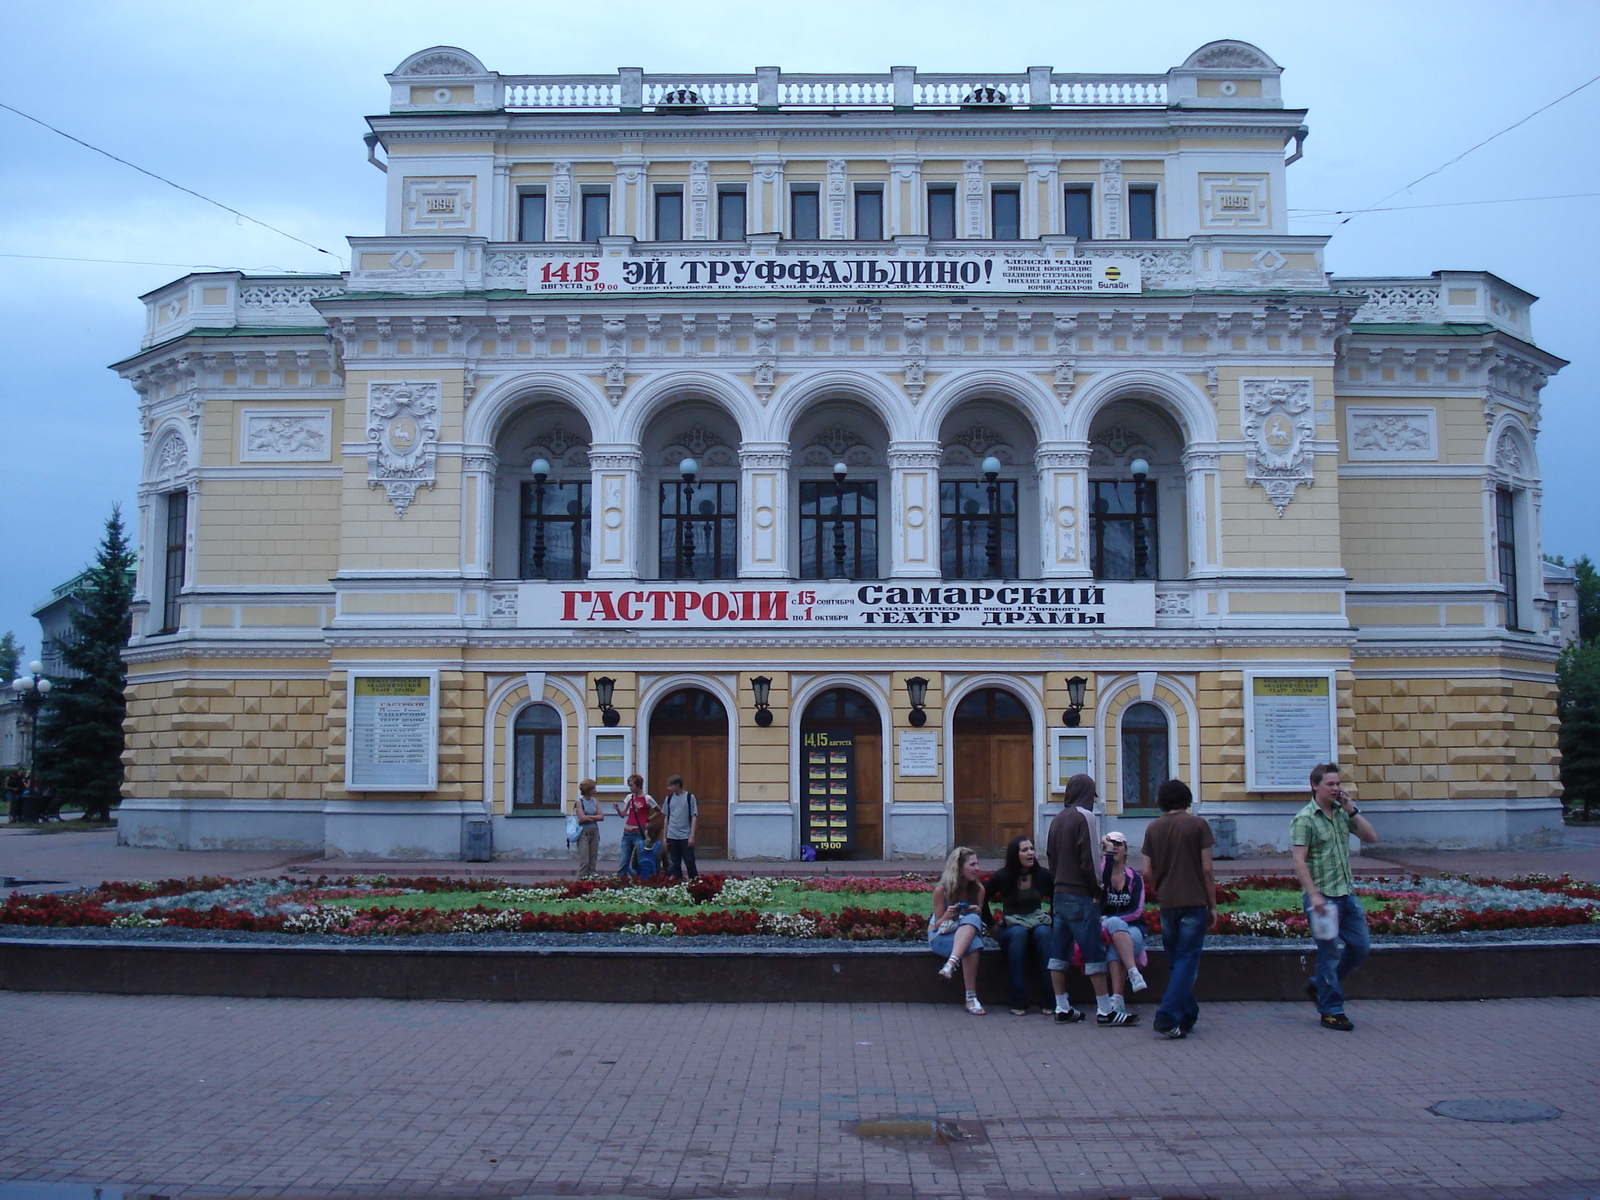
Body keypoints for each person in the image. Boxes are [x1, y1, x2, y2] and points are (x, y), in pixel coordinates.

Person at [1292, 762, 1379, 1032]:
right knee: (1328, 955)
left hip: (1346, 894)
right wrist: (1313, 895)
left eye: (1338, 784)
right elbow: (1299, 860)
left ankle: (1320, 985)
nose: (1336, 789)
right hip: (1323, 900)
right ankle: (1332, 1010)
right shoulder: (1305, 818)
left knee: (1361, 946)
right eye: (1330, 784)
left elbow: (1371, 837)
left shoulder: (1342, 813)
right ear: (1315, 786)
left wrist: (1352, 808)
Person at [1046, 774, 1136, 1026]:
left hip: (1060, 892)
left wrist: (1058, 881)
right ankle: (1105, 1010)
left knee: (1059, 952)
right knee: (1093, 951)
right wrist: (1098, 888)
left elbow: (1051, 856)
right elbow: (1090, 859)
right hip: (1082, 894)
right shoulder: (1084, 817)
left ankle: (1061, 1005)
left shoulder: (1057, 819)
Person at [1141, 778, 1217, 1040]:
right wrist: (1212, 904)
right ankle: (1167, 1015)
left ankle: (1188, 1014)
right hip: (1194, 901)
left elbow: (1146, 870)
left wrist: (1160, 889)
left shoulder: (1153, 828)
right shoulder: (1198, 825)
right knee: (1186, 960)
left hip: (1167, 902)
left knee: (1176, 960)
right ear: (1187, 799)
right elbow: (1206, 869)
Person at [984, 835, 1055, 1016]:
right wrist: (991, 925)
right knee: (1018, 935)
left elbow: (1057, 898)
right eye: (1024, 850)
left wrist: (1053, 919)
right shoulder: (1003, 876)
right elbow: (982, 897)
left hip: (1037, 923)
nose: (1030, 853)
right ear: (1015, 855)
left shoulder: (1044, 875)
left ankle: (1050, 1001)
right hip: (1012, 926)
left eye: (1031, 849)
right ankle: (1018, 1001)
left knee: (1044, 934)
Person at [929, 845, 987, 1015]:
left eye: (977, 864)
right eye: (972, 865)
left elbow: (977, 924)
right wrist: (947, 914)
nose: (977, 868)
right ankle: (971, 998)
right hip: (941, 936)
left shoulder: (978, 890)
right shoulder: (942, 890)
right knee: (973, 945)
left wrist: (977, 911)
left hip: (965, 934)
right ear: (959, 868)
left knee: (974, 921)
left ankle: (950, 965)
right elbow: (938, 924)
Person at [1098, 831, 1149, 1013]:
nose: (1115, 848)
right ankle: (1133, 972)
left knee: (1115, 946)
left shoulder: (1134, 878)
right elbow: (1103, 876)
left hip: (1132, 927)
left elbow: (1136, 911)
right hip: (1103, 926)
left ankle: (1117, 1000)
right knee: (1113, 925)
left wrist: (1114, 920)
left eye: (1118, 844)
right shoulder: (1101, 876)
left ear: (1126, 850)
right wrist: (1108, 852)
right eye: (1110, 845)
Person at [615, 774, 657, 878]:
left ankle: (640, 878)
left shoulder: (647, 798)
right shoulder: (630, 797)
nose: (630, 788)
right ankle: (621, 880)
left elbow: (658, 811)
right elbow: (623, 814)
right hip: (627, 832)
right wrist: (617, 808)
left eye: (632, 785)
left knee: (638, 859)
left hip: (638, 832)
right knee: (624, 860)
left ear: (638, 785)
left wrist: (647, 820)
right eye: (629, 785)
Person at [661, 774, 700, 879]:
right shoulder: (668, 799)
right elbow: (666, 818)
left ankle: (694, 882)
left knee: (689, 862)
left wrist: (691, 836)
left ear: (677, 785)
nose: (668, 788)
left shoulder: (689, 797)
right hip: (672, 835)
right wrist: (664, 836)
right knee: (675, 863)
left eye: (670, 785)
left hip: (685, 835)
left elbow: (694, 816)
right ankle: (678, 883)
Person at [570, 778, 603, 878]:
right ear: (587, 790)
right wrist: (594, 817)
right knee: (585, 860)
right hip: (583, 833)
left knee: (593, 859)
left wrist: (589, 817)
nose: (595, 791)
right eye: (593, 789)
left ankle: (591, 881)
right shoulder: (579, 802)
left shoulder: (595, 801)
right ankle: (579, 882)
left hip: (594, 832)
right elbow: (582, 817)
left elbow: (601, 817)